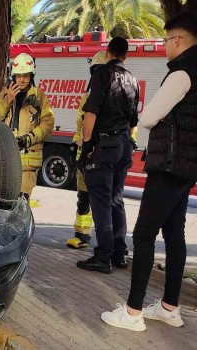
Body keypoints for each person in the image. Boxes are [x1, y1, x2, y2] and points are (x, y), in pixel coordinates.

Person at [101, 12, 197, 332]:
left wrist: (150, 115)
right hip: (185, 169)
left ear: (179, 41)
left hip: (167, 168)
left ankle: (132, 313)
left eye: (168, 40)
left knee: (143, 236)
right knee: (174, 235)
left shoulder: (181, 73)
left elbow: (149, 117)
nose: (166, 46)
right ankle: (169, 307)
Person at [75, 37, 139, 274]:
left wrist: (87, 146)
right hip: (123, 144)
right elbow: (134, 120)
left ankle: (103, 256)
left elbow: (90, 115)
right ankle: (120, 253)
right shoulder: (133, 80)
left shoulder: (101, 75)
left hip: (105, 146)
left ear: (108, 52)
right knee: (116, 199)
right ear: (126, 55)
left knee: (100, 201)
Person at [0, 52, 55, 199]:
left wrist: (28, 139)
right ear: (13, 76)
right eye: (18, 76)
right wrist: (8, 100)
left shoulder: (39, 96)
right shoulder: (7, 93)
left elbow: (48, 124)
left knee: (23, 202)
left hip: (28, 162)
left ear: (31, 76)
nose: (22, 80)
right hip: (8, 158)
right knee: (5, 201)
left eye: (25, 76)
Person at [66, 51, 107, 249]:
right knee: (83, 196)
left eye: (100, 70)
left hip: (102, 153)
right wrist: (76, 145)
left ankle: (106, 242)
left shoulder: (112, 96)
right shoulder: (87, 97)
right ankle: (82, 235)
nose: (97, 74)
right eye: (95, 71)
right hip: (85, 153)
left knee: (102, 199)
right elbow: (80, 125)